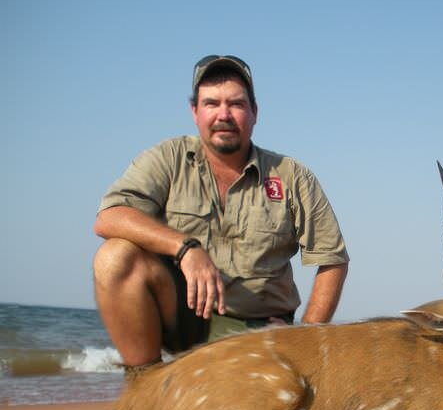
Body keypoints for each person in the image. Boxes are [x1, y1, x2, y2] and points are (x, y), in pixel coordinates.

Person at [93, 54, 349, 375]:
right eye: (211, 103)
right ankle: (142, 390)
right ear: (195, 112)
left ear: (254, 113)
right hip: (183, 316)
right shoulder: (168, 157)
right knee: (113, 256)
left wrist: (304, 337)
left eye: (237, 104)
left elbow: (333, 259)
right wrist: (185, 247)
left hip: (257, 331)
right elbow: (110, 217)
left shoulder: (293, 176)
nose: (223, 115)